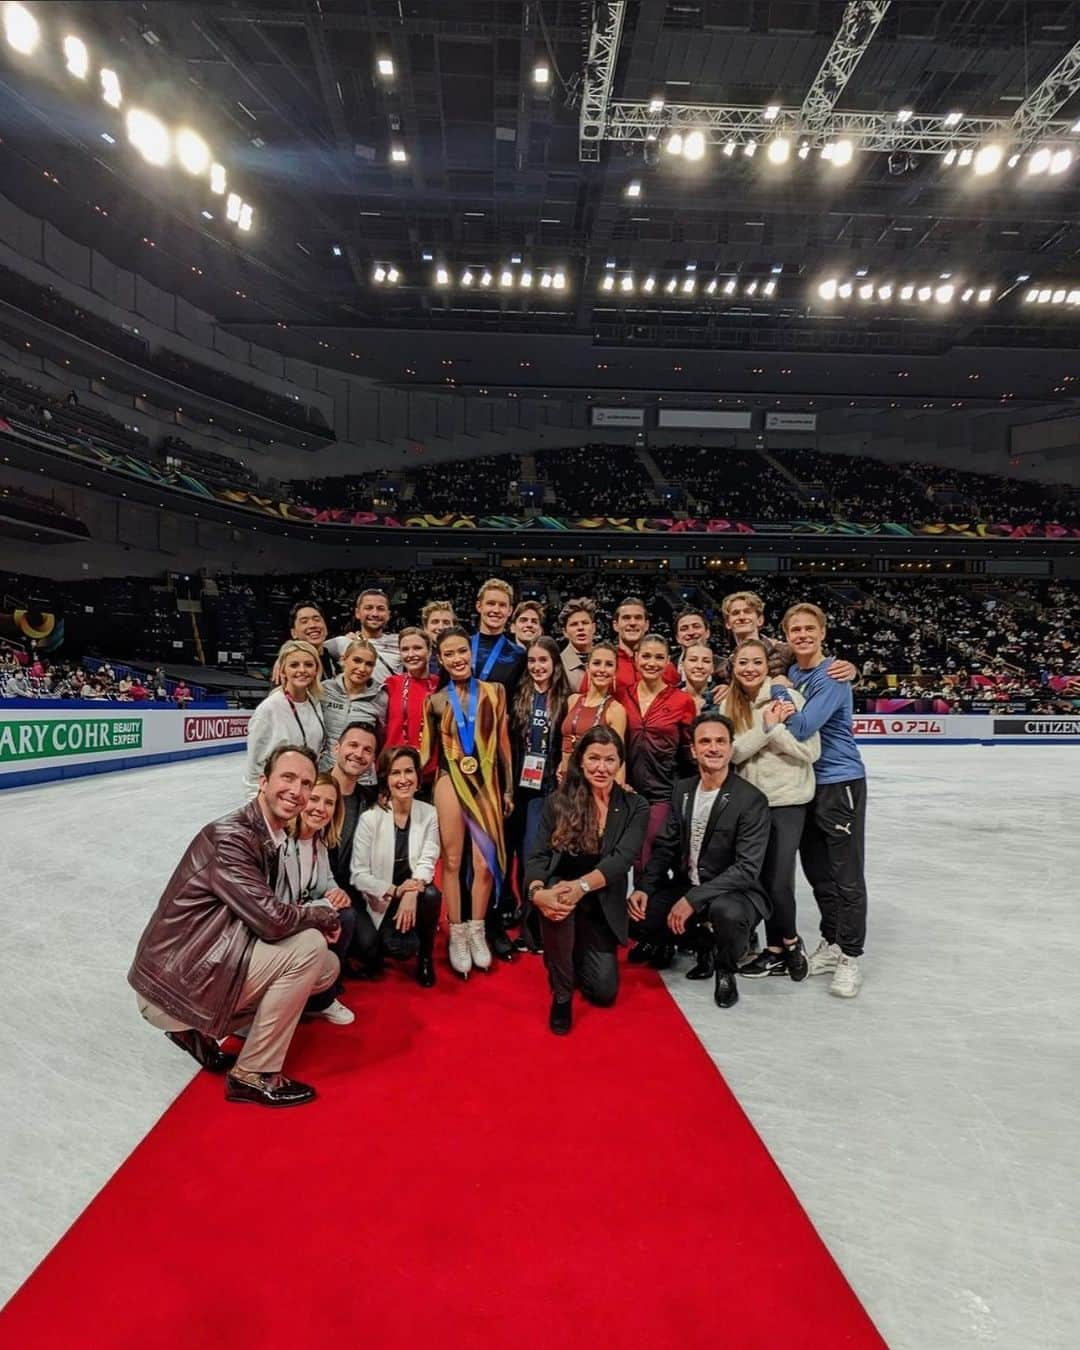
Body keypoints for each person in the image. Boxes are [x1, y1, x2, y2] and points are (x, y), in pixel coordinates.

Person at [129, 745, 340, 1107]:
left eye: (306, 783)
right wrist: (320, 916)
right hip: (173, 986)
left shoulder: (263, 834)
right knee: (309, 948)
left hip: (196, 968)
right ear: (263, 782)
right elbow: (272, 921)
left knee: (325, 968)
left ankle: (193, 1032)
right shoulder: (231, 837)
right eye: (287, 778)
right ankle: (253, 1073)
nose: (297, 790)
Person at [629, 712, 771, 1009]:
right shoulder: (682, 789)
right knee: (643, 914)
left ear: (731, 748)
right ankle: (698, 944)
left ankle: (725, 968)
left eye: (721, 741)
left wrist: (692, 899)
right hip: (688, 884)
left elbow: (746, 868)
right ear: (693, 750)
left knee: (727, 914)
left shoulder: (751, 799)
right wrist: (643, 887)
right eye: (705, 741)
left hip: (732, 892)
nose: (713, 748)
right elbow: (665, 846)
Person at [525, 725, 649, 1034]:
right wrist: (536, 892)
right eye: (594, 758)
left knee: (604, 993)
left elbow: (621, 860)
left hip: (600, 903)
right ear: (581, 760)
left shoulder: (636, 806)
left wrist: (582, 887)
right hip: (561, 891)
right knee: (559, 896)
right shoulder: (558, 801)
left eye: (610, 760)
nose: (601, 767)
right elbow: (538, 856)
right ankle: (562, 996)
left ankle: (572, 948)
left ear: (620, 763)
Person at [778, 602, 869, 999]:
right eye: (795, 629)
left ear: (822, 633)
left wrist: (779, 688)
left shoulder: (832, 675)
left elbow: (802, 726)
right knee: (818, 872)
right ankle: (832, 943)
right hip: (808, 783)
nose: (802, 635)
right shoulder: (797, 670)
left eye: (808, 629)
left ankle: (850, 955)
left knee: (846, 874)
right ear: (786, 635)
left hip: (839, 781)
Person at [718, 638, 820, 981]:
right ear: (733, 667)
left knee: (778, 880)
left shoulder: (786, 698)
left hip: (786, 801)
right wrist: (765, 728)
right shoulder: (728, 705)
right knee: (759, 879)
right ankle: (775, 948)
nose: (749, 669)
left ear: (767, 666)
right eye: (742, 662)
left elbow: (809, 753)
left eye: (756, 663)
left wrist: (774, 728)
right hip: (749, 805)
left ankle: (789, 942)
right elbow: (729, 754)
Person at [421, 625, 514, 978]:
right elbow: (426, 753)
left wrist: (507, 789)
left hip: (487, 782)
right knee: (454, 860)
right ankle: (456, 933)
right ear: (441, 660)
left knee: (485, 864)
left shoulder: (496, 691)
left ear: (470, 654)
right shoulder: (436, 701)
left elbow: (503, 744)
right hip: (449, 780)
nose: (458, 659)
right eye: (450, 654)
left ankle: (477, 930)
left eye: (463, 652)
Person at [350, 745, 442, 987]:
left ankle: (425, 957)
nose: (403, 780)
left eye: (409, 772)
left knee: (432, 895)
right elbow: (358, 875)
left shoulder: (429, 813)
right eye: (395, 773)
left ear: (418, 777)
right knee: (377, 949)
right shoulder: (370, 818)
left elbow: (428, 858)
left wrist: (412, 890)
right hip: (382, 897)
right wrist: (395, 890)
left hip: (412, 894)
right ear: (385, 779)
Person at [507, 636, 570, 950]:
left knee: (539, 855)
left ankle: (537, 927)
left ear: (555, 663)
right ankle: (526, 918)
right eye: (532, 661)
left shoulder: (566, 698)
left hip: (551, 791)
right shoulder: (519, 694)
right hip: (520, 790)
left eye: (543, 660)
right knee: (521, 854)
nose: (536, 667)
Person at [281, 773, 357, 1025]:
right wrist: (323, 906)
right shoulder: (280, 842)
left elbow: (327, 883)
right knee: (332, 917)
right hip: (281, 926)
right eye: (314, 799)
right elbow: (282, 905)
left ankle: (322, 998)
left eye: (329, 803)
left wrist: (338, 893)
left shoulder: (318, 842)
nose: (321, 809)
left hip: (305, 915)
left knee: (346, 916)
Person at [620, 632, 697, 866]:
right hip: (627, 792)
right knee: (623, 860)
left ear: (667, 662)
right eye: (646, 656)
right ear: (636, 658)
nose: (651, 663)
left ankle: (649, 903)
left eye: (658, 657)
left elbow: (688, 752)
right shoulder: (623, 696)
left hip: (663, 792)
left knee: (649, 858)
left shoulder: (682, 701)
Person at [714, 590, 857, 699]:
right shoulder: (726, 665)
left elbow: (821, 667)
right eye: (735, 613)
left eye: (747, 612)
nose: (742, 617)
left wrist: (853, 672)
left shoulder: (785, 650)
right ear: (727, 623)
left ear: (760, 620)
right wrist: (726, 688)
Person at [243, 639, 326, 795]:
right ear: (283, 671)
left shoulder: (314, 701)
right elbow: (254, 768)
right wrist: (257, 807)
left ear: (316, 669)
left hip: (307, 791)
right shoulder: (269, 709)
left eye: (308, 664)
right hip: (278, 795)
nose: (302, 670)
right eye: (294, 665)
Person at [558, 641, 628, 781]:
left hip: (592, 785)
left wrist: (617, 796)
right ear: (588, 668)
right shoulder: (573, 701)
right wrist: (562, 763)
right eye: (596, 663)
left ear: (615, 671)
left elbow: (618, 758)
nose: (602, 669)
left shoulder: (616, 710)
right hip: (565, 783)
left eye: (609, 664)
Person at [320, 637, 388, 770]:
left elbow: (383, 739)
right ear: (344, 659)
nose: (362, 668)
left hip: (363, 778)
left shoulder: (381, 698)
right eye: (357, 660)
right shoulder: (325, 690)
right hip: (326, 772)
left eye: (369, 664)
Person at [382, 627, 439, 782]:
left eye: (417, 648)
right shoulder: (391, 684)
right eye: (405, 649)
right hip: (394, 772)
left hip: (430, 775)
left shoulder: (441, 687)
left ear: (429, 651)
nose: (411, 654)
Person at [326, 588, 402, 684]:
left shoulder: (401, 641)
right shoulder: (342, 643)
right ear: (357, 613)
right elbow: (309, 650)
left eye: (380, 609)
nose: (375, 614)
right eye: (368, 608)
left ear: (388, 615)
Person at [611, 596, 680, 698]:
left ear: (646, 625)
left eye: (638, 618)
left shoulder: (666, 667)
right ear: (616, 625)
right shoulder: (605, 663)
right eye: (626, 618)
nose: (632, 623)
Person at [472, 577, 527, 690]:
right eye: (491, 603)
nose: (496, 610)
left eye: (502, 605)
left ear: (510, 611)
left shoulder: (518, 654)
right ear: (479, 606)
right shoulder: (462, 646)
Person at [557, 596, 597, 692]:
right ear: (565, 632)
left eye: (585, 623)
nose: (580, 628)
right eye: (574, 624)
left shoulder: (608, 659)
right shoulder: (557, 665)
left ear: (594, 627)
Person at [289, 601, 333, 680]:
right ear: (293, 633)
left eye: (317, 620)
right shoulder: (288, 668)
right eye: (304, 622)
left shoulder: (336, 658)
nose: (312, 625)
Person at [421, 599, 456, 675]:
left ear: (453, 627)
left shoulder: (464, 654)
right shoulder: (417, 655)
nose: (441, 627)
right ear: (425, 628)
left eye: (446, 622)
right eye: (435, 622)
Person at [680, 642, 718, 711]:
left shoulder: (721, 698)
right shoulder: (669, 698)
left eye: (706, 661)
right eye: (693, 660)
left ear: (712, 668)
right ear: (682, 665)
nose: (699, 666)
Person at [673, 608, 710, 676]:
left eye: (696, 627)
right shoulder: (667, 666)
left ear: (707, 633)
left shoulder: (722, 666)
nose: (691, 632)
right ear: (677, 638)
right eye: (684, 629)